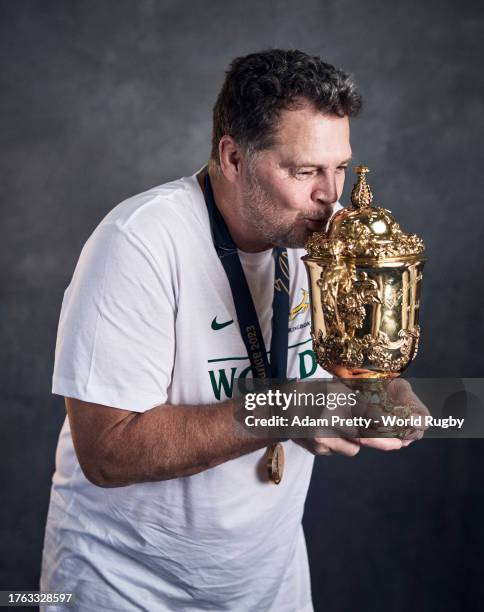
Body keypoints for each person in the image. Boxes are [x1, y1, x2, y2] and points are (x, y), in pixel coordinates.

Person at [40, 49, 419, 611]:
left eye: (339, 167)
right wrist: (289, 412)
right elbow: (106, 452)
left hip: (270, 588)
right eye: (305, 170)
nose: (331, 196)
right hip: (122, 590)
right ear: (234, 157)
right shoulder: (138, 241)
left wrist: (382, 391)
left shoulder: (329, 237)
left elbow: (339, 379)